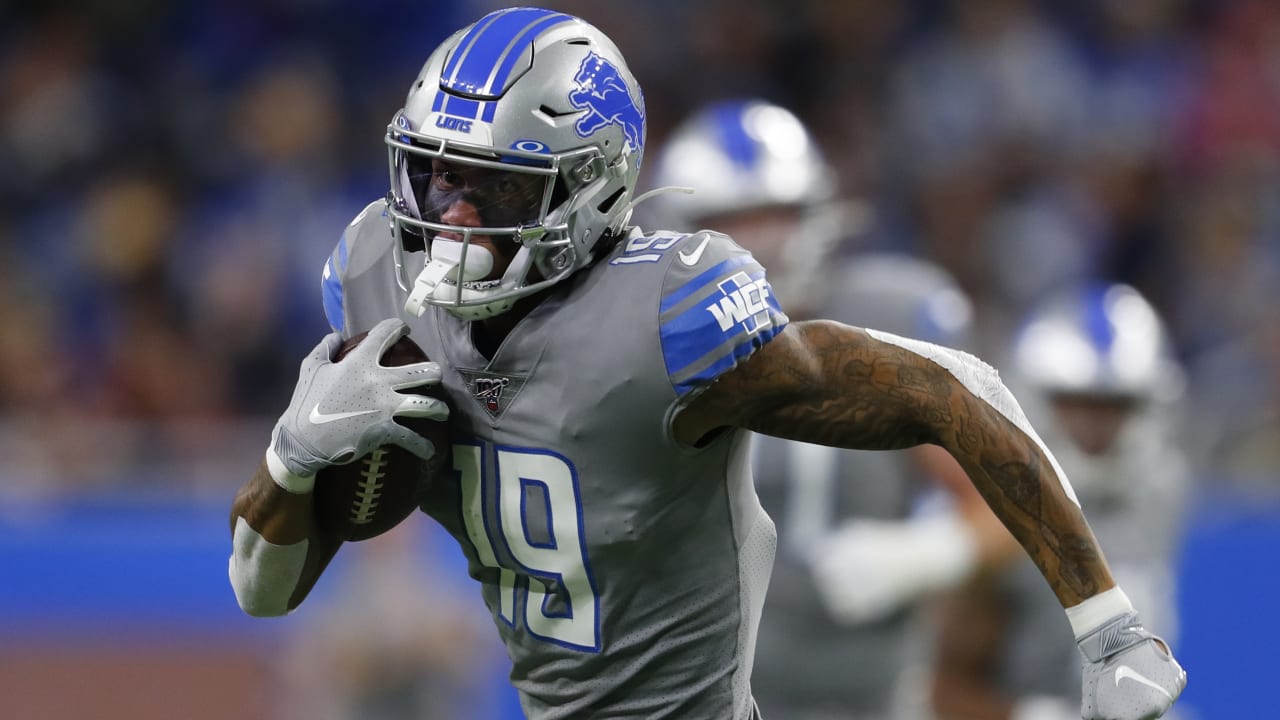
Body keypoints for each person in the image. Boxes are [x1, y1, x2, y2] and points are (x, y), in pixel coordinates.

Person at [227, 8, 1187, 719]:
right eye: (436, 174)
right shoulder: (375, 279)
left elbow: (950, 387)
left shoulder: (665, 317)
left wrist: (1107, 627)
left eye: (495, 187)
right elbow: (261, 593)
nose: (453, 218)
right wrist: (290, 456)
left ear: (590, 188)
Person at [649, 98, 985, 720]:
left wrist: (926, 551)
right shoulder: (644, 351)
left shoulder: (888, 319)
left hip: (873, 692)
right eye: (732, 222)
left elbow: (1005, 496)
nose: (760, 244)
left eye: (776, 216)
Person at [930, 283, 1192, 720]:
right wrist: (1034, 715)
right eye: (1077, 404)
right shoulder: (998, 511)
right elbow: (938, 690)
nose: (1096, 425)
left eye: (1115, 405)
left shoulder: (1159, 493)